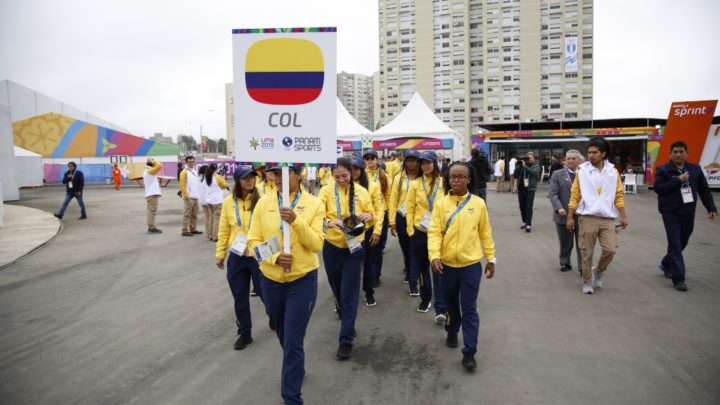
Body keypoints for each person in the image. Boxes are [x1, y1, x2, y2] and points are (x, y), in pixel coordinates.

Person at [247, 165, 325, 405]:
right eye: (274, 173)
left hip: (301, 281)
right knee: (283, 333)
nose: (277, 178)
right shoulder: (263, 203)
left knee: (292, 339)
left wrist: (296, 221)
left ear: (298, 175)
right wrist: (274, 258)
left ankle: (291, 397)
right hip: (270, 281)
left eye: (285, 172)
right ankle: (296, 365)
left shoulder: (314, 203)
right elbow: (252, 242)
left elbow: (317, 244)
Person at [429, 161, 496, 370]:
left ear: (468, 179)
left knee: (469, 308)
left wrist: (491, 259)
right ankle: (451, 329)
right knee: (450, 304)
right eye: (453, 176)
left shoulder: (478, 203)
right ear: (448, 179)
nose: (456, 180)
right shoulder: (441, 204)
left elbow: (485, 233)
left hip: (470, 266)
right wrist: (434, 256)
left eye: (460, 176)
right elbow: (434, 232)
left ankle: (469, 352)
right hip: (446, 266)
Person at [319, 158, 375, 360]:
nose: (341, 180)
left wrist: (368, 217)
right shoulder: (325, 191)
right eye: (337, 177)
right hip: (333, 246)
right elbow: (318, 216)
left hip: (354, 246)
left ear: (352, 174)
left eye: (345, 176)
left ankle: (346, 340)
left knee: (349, 293)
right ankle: (346, 319)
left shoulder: (361, 192)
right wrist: (328, 221)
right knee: (336, 287)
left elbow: (372, 213)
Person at [567, 137, 629, 295]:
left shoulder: (613, 171)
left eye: (594, 152)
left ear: (603, 154)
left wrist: (623, 215)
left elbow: (619, 194)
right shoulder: (583, 171)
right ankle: (587, 281)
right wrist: (570, 216)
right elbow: (575, 195)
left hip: (608, 218)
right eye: (589, 153)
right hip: (587, 217)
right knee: (587, 252)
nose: (591, 155)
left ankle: (598, 270)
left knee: (611, 249)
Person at [653, 141, 717, 292]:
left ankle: (666, 263)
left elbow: (704, 189)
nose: (678, 154)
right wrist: (677, 180)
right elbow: (658, 188)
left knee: (682, 242)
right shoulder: (663, 170)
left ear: (687, 153)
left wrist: (711, 207)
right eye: (675, 152)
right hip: (670, 213)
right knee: (675, 243)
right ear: (670, 154)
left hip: (688, 212)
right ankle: (679, 278)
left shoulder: (695, 169)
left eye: (681, 151)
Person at [216, 166, 264, 350]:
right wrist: (220, 254)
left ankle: (275, 319)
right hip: (237, 256)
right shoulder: (228, 202)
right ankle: (245, 333)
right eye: (245, 178)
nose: (250, 180)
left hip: (258, 255)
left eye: (252, 177)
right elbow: (223, 230)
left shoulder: (263, 200)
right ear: (238, 180)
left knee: (266, 293)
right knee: (239, 297)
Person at [405, 151, 446, 323]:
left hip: (439, 233)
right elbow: (409, 208)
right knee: (422, 268)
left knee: (438, 268)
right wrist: (411, 231)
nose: (425, 166)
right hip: (420, 232)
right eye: (423, 163)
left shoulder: (444, 182)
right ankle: (425, 298)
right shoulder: (415, 184)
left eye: (428, 162)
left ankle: (441, 307)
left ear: (435, 163)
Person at [351, 155, 385, 307]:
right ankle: (348, 294)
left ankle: (369, 292)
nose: (353, 172)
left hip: (369, 230)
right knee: (352, 265)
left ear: (361, 169)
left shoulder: (372, 186)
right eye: (350, 169)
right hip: (350, 231)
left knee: (369, 263)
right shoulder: (342, 186)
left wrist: (377, 231)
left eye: (356, 168)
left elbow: (379, 209)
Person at [388, 150, 421, 284]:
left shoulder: (423, 177)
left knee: (415, 247)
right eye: (409, 160)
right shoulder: (399, 177)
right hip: (402, 216)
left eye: (414, 160)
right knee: (405, 246)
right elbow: (393, 200)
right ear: (404, 161)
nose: (411, 163)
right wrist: (392, 221)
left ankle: (414, 273)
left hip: (418, 217)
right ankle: (409, 268)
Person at [549, 150, 583, 273]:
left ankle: (583, 267)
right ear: (565, 160)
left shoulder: (585, 174)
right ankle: (565, 262)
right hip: (563, 215)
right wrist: (558, 207)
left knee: (582, 243)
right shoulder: (557, 174)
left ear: (579, 160)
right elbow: (553, 193)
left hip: (582, 215)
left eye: (574, 159)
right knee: (565, 242)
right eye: (568, 158)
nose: (571, 161)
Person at [363, 150, 390, 288]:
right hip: (365, 215)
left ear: (377, 159)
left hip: (380, 215)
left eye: (372, 158)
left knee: (377, 248)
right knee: (365, 248)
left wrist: (390, 218)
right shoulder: (361, 175)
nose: (369, 160)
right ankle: (367, 274)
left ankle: (376, 275)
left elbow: (388, 197)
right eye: (367, 158)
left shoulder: (383, 176)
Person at [513, 152, 540, 233]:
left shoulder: (536, 166)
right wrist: (518, 166)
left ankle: (529, 224)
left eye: (530, 158)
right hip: (521, 189)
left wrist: (524, 166)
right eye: (527, 158)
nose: (528, 159)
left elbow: (534, 173)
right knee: (522, 206)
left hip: (530, 189)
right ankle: (525, 221)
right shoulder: (521, 166)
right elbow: (515, 175)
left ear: (533, 159)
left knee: (528, 207)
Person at [205, 163, 229, 242]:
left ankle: (210, 235)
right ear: (216, 169)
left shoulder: (207, 176)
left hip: (209, 200)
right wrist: (223, 177)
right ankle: (215, 236)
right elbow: (224, 185)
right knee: (217, 219)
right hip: (217, 201)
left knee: (211, 218)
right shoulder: (217, 177)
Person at [179, 156, 202, 236]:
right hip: (189, 197)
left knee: (194, 214)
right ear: (186, 162)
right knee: (187, 214)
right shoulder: (184, 172)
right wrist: (186, 196)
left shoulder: (195, 171)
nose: (191, 163)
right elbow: (182, 185)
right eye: (189, 162)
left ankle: (193, 228)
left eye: (192, 161)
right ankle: (184, 230)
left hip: (195, 196)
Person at [143, 159, 163, 234]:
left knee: (150, 212)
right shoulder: (150, 171)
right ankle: (152, 228)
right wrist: (153, 161)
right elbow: (159, 165)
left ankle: (151, 227)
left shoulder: (147, 171)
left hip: (150, 194)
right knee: (152, 212)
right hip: (152, 195)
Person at [197, 165, 210, 239]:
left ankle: (207, 232)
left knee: (207, 217)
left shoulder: (198, 178)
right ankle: (210, 232)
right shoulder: (207, 178)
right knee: (211, 217)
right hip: (208, 200)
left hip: (202, 200)